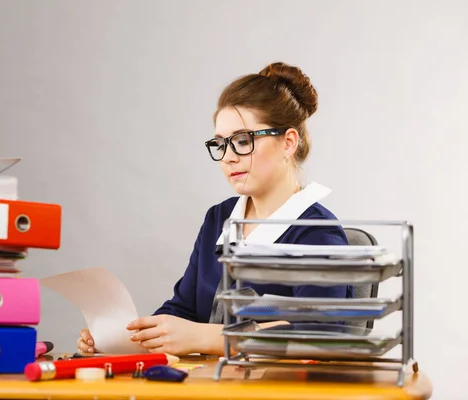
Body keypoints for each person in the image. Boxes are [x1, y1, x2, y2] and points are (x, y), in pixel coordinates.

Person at [77, 61, 351, 357]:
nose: (228, 158)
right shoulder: (219, 219)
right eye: (221, 144)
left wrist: (209, 338)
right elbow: (184, 310)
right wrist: (128, 338)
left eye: (243, 141)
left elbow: (321, 335)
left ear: (288, 142)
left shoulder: (318, 235)